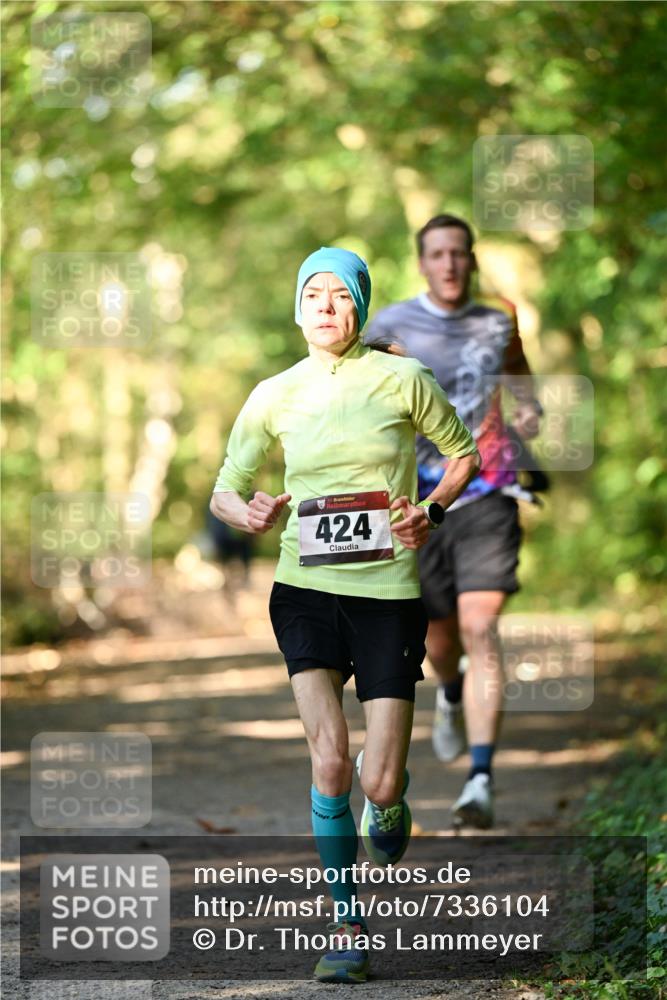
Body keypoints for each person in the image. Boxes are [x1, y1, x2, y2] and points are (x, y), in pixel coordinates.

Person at [210, 246, 479, 983]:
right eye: (313, 295)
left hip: (388, 595)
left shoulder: (403, 378)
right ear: (297, 308)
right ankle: (345, 922)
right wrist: (251, 512)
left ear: (359, 305)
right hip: (302, 591)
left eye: (340, 295)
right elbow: (224, 490)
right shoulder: (272, 393)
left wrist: (428, 510)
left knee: (381, 788)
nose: (326, 306)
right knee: (327, 759)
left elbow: (462, 456)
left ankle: (387, 796)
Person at [364, 214, 543, 830]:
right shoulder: (387, 323)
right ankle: (448, 693)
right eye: (437, 254)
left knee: (481, 626)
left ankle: (481, 780)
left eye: (459, 254)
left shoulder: (498, 319)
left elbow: (517, 368)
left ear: (471, 260)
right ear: (422, 263)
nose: (448, 264)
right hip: (418, 502)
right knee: (440, 640)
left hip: (490, 488)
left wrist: (528, 408)